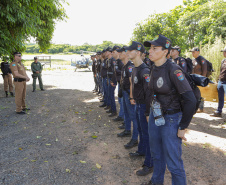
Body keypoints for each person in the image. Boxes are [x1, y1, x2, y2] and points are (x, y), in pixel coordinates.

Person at [142, 35, 196, 185]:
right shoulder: (153, 67)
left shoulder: (173, 69)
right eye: (150, 48)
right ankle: (156, 181)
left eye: (154, 48)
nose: (150, 51)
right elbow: (151, 93)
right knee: (157, 155)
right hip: (156, 116)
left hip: (171, 120)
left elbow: (191, 100)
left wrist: (183, 127)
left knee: (173, 162)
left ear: (166, 51)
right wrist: (149, 113)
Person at [126, 41, 154, 176]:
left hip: (144, 105)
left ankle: (149, 163)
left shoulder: (145, 70)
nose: (127, 52)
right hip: (137, 103)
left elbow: (149, 94)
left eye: (130, 50)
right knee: (142, 131)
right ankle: (141, 150)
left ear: (137, 53)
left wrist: (148, 112)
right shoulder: (135, 68)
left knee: (148, 135)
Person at [116, 46, 139, 149]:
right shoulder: (125, 66)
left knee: (133, 116)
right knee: (126, 113)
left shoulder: (130, 66)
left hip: (129, 93)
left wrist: (131, 97)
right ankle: (127, 130)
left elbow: (131, 82)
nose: (119, 54)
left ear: (125, 54)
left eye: (121, 53)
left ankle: (135, 139)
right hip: (125, 92)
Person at [190, 47, 208, 112]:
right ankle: (196, 107)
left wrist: (202, 80)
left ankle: (200, 107)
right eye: (192, 52)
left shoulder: (202, 59)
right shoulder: (193, 59)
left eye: (193, 52)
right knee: (196, 93)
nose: (192, 53)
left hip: (199, 80)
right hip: (194, 80)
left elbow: (204, 70)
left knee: (200, 94)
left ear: (198, 52)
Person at [212, 46, 226, 117]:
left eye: (224, 51)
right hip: (221, 81)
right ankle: (219, 111)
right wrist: (218, 79)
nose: (223, 53)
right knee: (220, 97)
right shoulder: (223, 61)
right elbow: (221, 71)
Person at [105, 47, 117, 117]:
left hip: (112, 80)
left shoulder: (113, 60)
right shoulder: (109, 60)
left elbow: (114, 71)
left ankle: (114, 110)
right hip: (109, 79)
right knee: (109, 94)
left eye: (107, 51)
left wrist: (113, 80)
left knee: (112, 95)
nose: (106, 53)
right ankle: (112, 109)